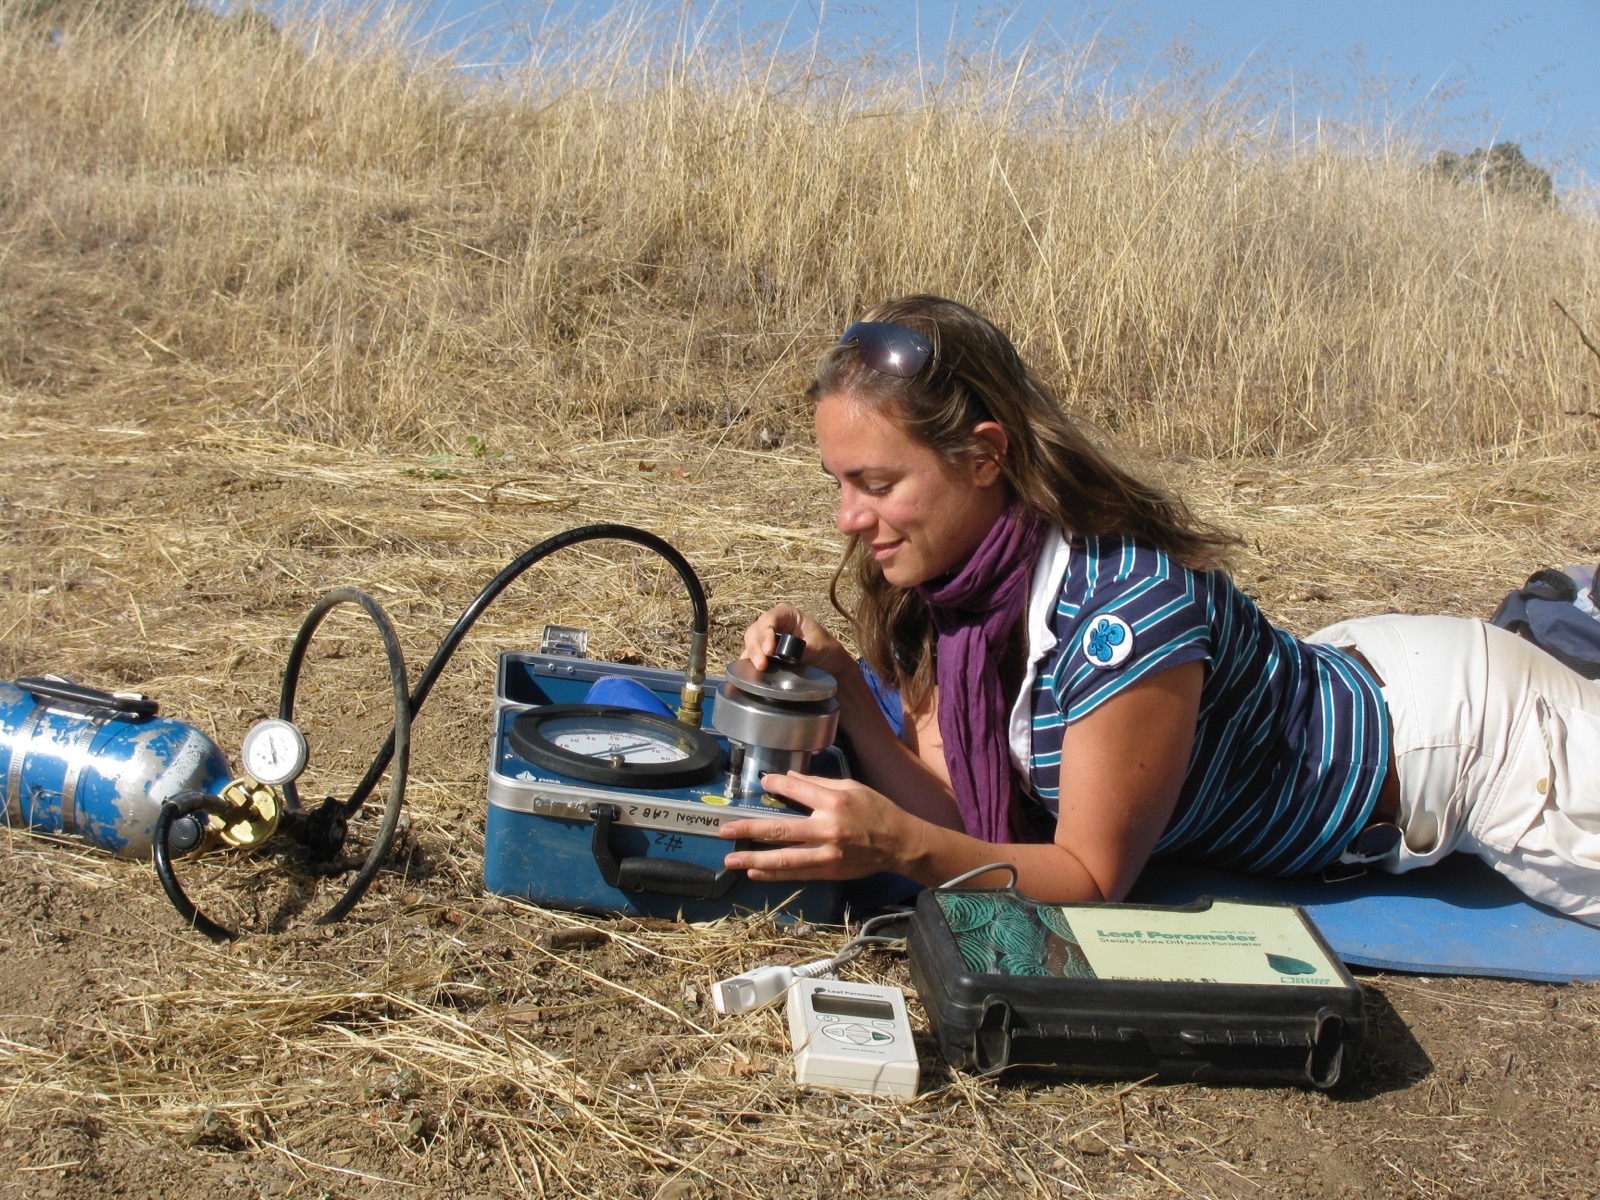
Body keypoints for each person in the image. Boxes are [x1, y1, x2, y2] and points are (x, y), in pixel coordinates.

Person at [716, 294, 1600, 925]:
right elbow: (963, 816)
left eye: (876, 484)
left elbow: (1091, 879)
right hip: (1358, 673)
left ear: (985, 456)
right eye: (839, 483)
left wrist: (898, 849)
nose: (847, 518)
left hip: (1473, 743)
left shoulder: (1122, 612)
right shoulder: (965, 589)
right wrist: (850, 689)